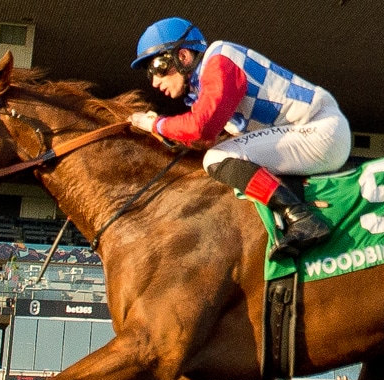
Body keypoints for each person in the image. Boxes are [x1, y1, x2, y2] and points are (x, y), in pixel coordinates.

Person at [127, 17, 351, 259]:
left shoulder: (220, 61)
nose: (154, 81)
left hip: (320, 130)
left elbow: (201, 129)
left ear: (182, 57)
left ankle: (301, 218)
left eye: (157, 68)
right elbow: (202, 139)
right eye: (149, 74)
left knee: (217, 158)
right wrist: (162, 131)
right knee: (220, 155)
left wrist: (156, 123)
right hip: (306, 133)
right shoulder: (202, 84)